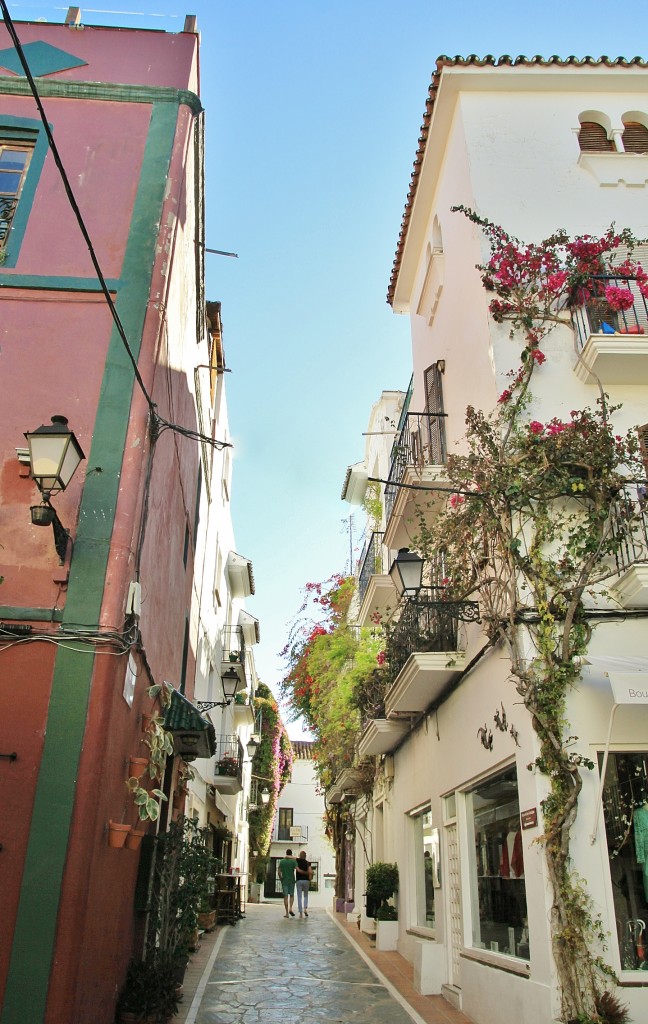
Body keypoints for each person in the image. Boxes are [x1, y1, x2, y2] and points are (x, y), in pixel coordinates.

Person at [278, 849, 297, 918]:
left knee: (285, 897)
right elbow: (296, 868)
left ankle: (286, 913)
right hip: (292, 880)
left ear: (286, 853)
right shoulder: (293, 861)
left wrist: (281, 878)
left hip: (285, 880)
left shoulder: (282, 861)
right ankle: (291, 908)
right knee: (291, 895)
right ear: (291, 854)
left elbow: (279, 871)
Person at [295, 849, 312, 918]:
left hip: (299, 880)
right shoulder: (308, 863)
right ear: (305, 856)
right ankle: (305, 909)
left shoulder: (297, 861)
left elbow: (290, 857)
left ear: (300, 856)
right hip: (306, 880)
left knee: (299, 896)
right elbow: (310, 872)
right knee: (305, 895)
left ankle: (300, 913)